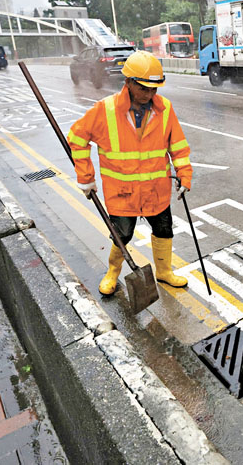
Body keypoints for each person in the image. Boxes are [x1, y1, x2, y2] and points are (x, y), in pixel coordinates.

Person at [67, 51, 192, 295]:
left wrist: (184, 174)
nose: (150, 94)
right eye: (144, 88)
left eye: (154, 89)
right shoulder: (106, 110)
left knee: (164, 230)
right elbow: (77, 138)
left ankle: (164, 272)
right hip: (123, 193)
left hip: (157, 189)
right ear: (129, 83)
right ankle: (112, 273)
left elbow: (177, 144)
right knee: (122, 234)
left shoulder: (164, 108)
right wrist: (86, 178)